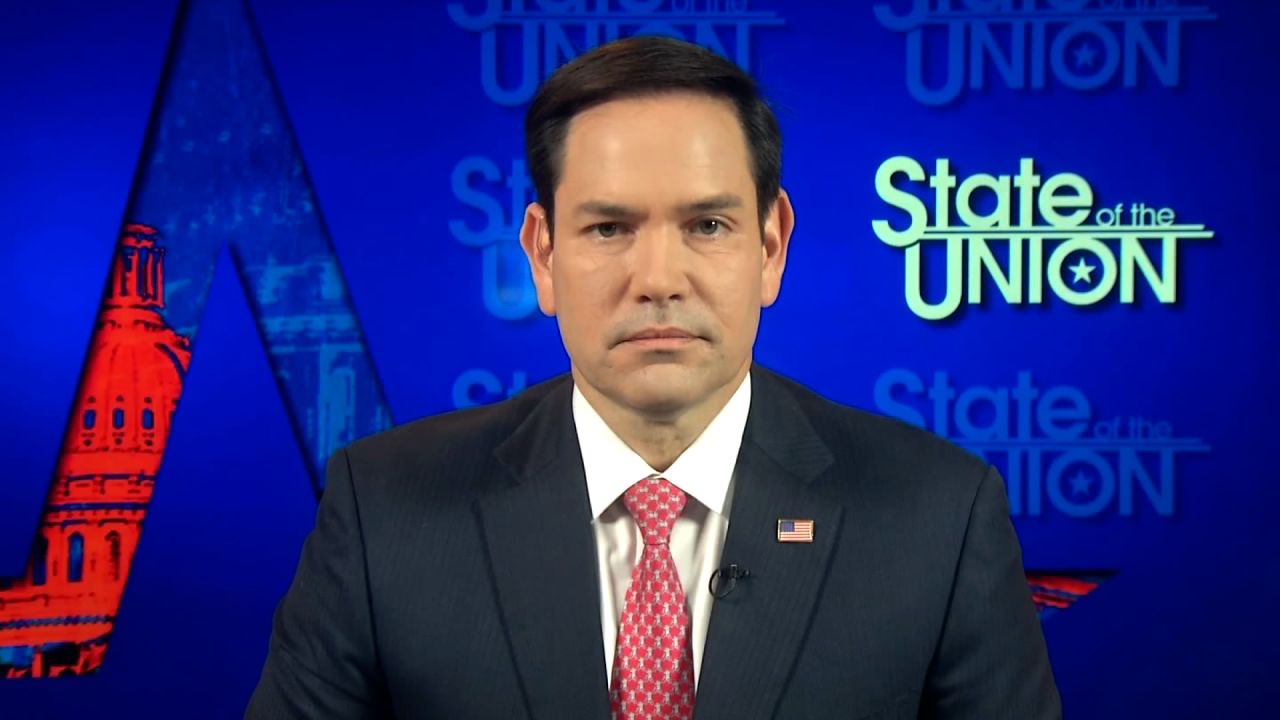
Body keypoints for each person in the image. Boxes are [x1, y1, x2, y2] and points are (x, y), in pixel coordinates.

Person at [246, 36, 1060, 719]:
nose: (657, 278)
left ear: (771, 247)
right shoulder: (384, 508)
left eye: (708, 225)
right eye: (608, 227)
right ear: (543, 254)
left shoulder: (939, 516)